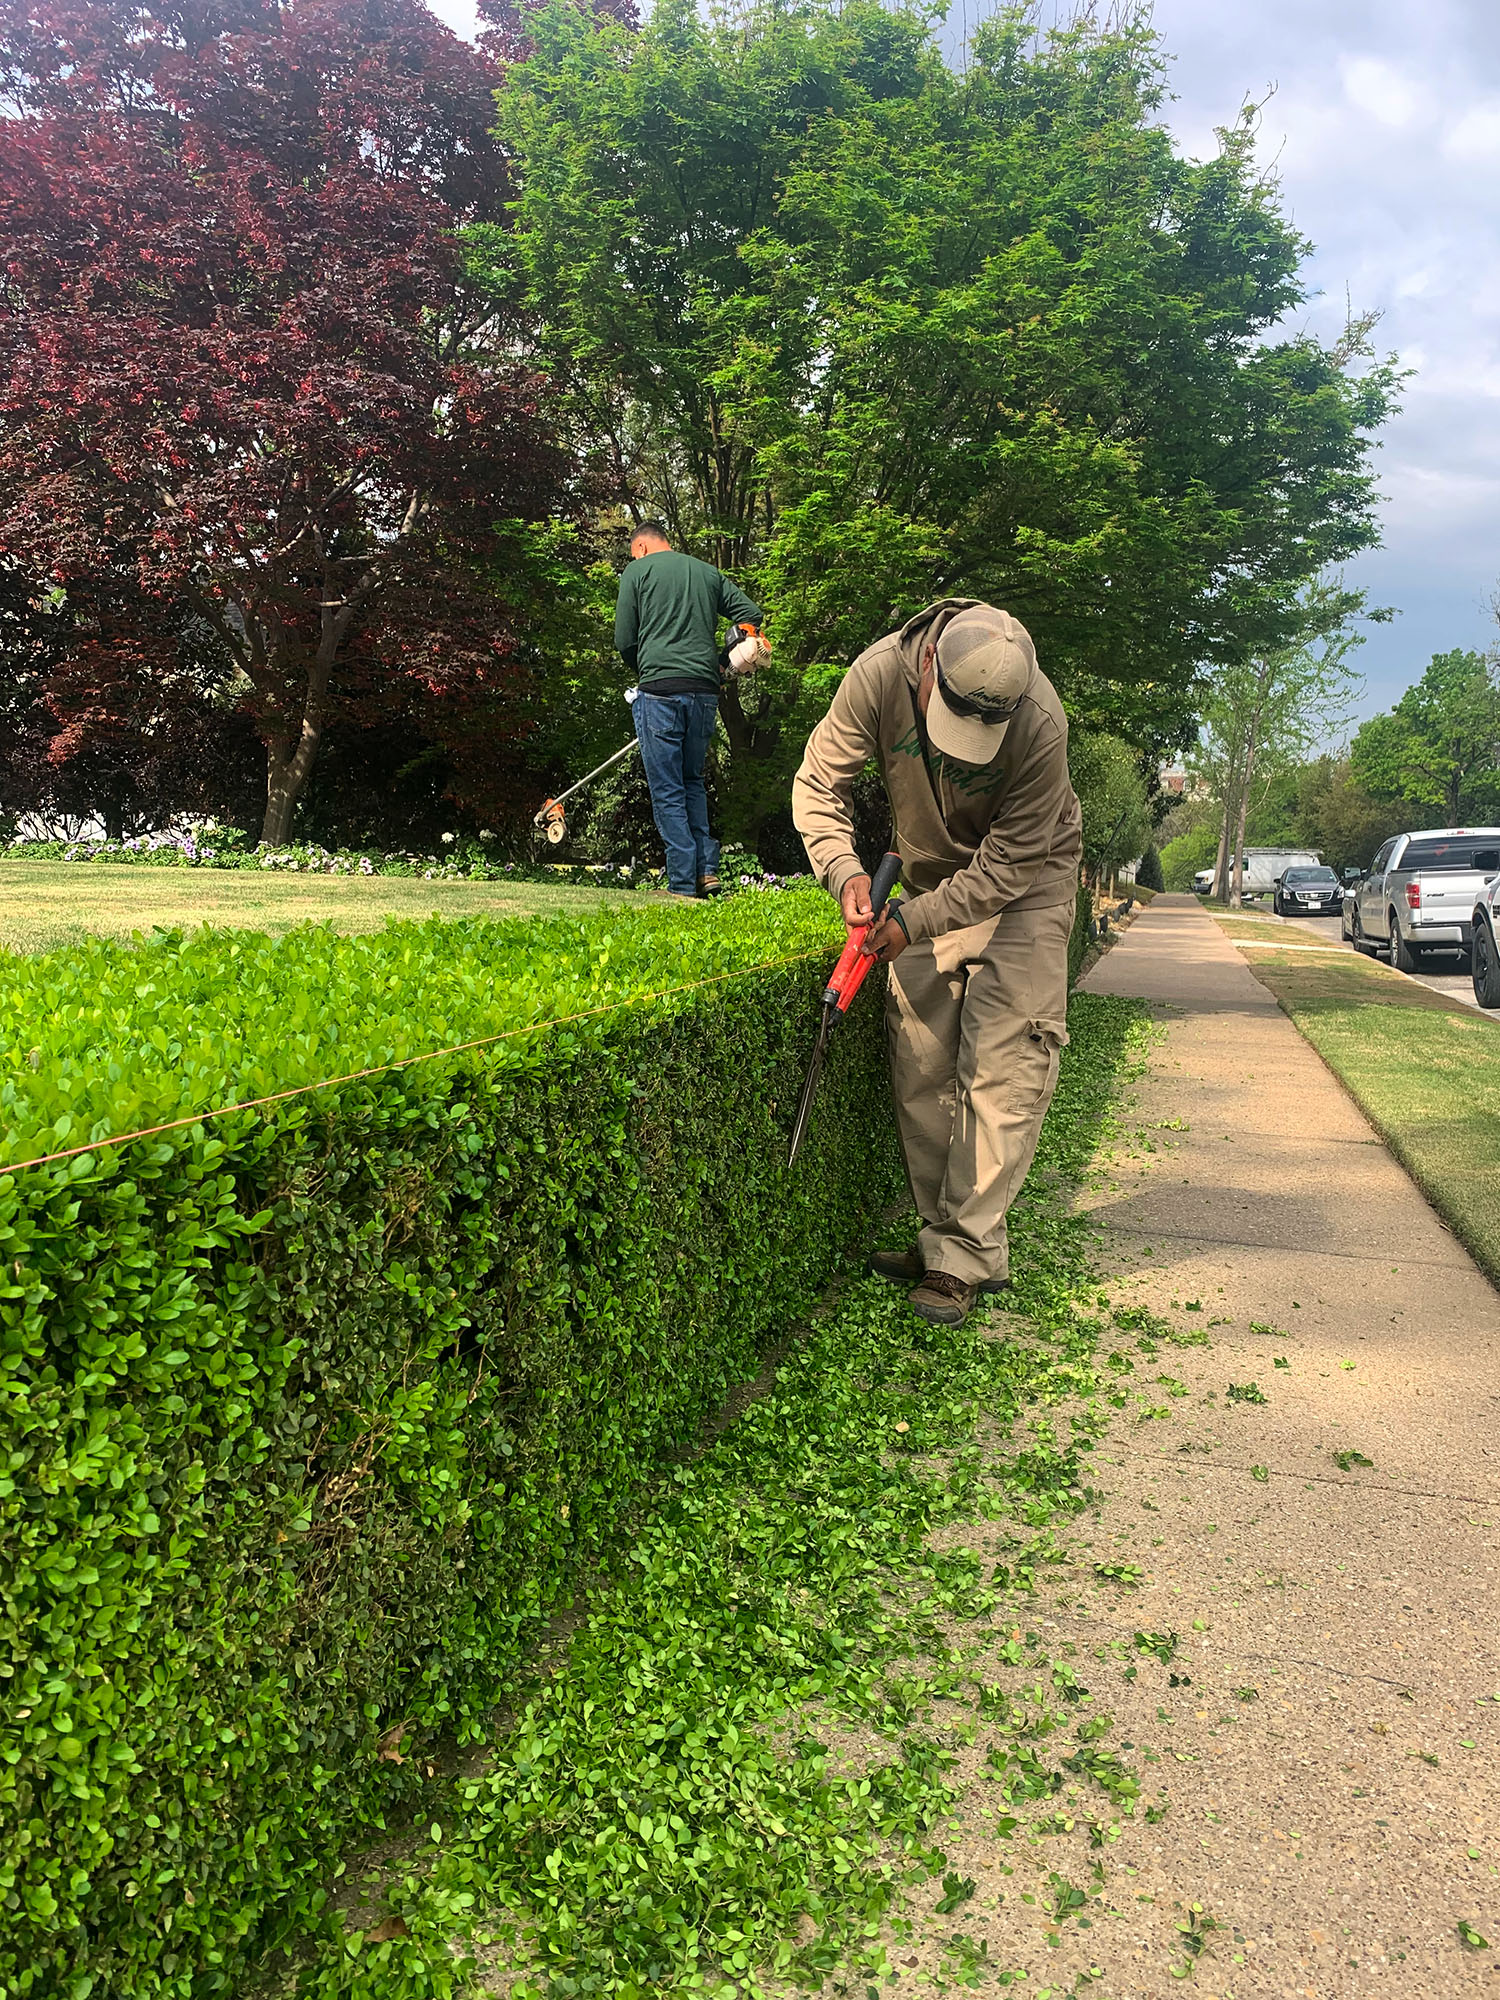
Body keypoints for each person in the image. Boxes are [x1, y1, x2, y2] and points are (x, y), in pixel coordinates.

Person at [792, 599, 1082, 1327]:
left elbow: (1010, 863)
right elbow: (818, 783)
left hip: (1029, 887)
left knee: (1004, 1066)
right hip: (924, 874)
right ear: (928, 671)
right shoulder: (879, 675)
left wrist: (911, 924)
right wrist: (845, 872)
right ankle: (941, 1240)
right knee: (921, 1062)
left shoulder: (1041, 723)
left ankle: (963, 1256)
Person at [614, 522, 763, 900]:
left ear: (642, 549)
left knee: (667, 788)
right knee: (692, 781)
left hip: (660, 692)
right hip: (703, 693)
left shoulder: (637, 571)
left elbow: (624, 639)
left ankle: (681, 884)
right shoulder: (706, 572)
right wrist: (720, 659)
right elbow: (750, 613)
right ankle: (706, 872)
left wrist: (646, 667)